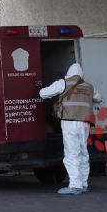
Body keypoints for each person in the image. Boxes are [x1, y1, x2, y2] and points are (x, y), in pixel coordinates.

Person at [39, 63, 100, 195]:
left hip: (69, 122)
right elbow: (99, 98)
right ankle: (83, 184)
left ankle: (75, 185)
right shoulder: (89, 86)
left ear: (69, 73)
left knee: (72, 154)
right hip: (84, 124)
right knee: (83, 153)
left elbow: (43, 94)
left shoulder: (63, 83)